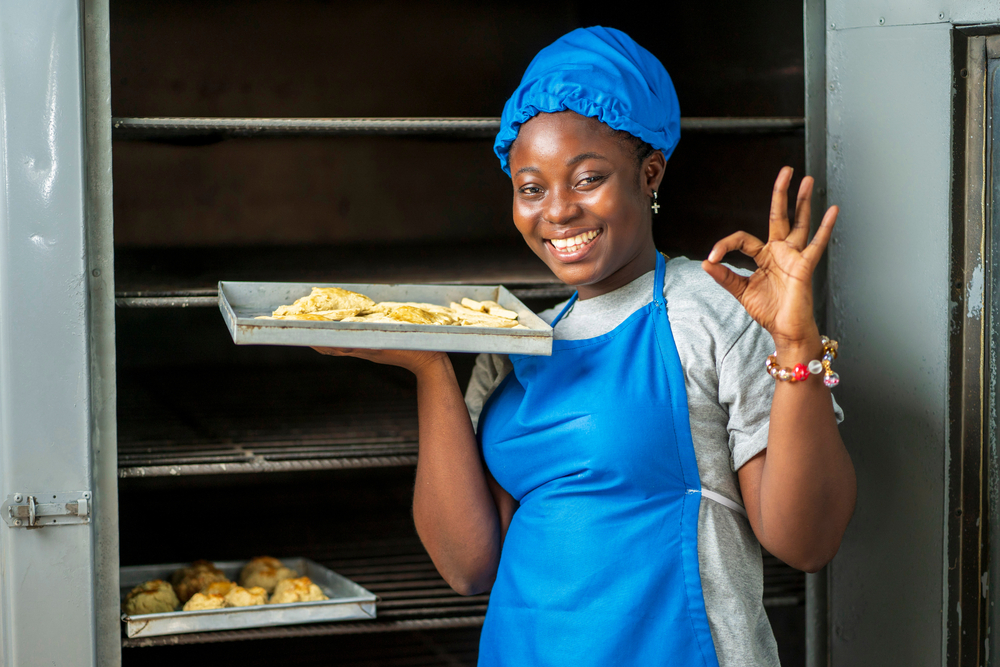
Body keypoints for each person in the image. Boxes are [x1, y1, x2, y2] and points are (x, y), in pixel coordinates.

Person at [315, 26, 856, 667]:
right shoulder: (510, 339)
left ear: (649, 172)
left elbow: (806, 541)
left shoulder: (710, 309)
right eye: (531, 187)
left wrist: (796, 342)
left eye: (587, 177)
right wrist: (430, 365)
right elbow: (467, 567)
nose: (558, 211)